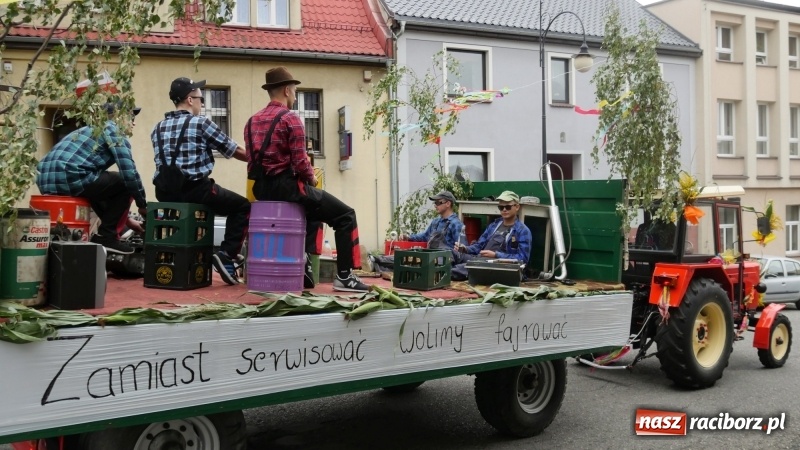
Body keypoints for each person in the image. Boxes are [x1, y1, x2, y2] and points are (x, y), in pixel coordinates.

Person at [246, 66, 367, 292]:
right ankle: (345, 276)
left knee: (312, 213)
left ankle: (303, 268)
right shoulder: (291, 119)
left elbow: (252, 163)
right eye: (294, 91)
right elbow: (301, 162)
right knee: (345, 215)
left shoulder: (251, 121)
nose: (294, 95)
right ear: (286, 91)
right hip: (288, 188)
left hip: (261, 189)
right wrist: (311, 179)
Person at [151, 77, 251, 285]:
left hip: (165, 193)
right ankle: (227, 256)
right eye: (201, 99)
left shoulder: (157, 128)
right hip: (195, 189)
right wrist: (260, 159)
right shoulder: (200, 123)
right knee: (242, 207)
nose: (202, 103)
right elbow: (233, 150)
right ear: (189, 99)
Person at [36, 103, 147, 254]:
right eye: (131, 117)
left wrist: (127, 220)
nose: (133, 122)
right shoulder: (114, 129)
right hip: (72, 177)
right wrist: (142, 205)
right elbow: (129, 173)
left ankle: (108, 234)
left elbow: (99, 188)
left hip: (45, 181)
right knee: (124, 182)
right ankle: (107, 237)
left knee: (99, 184)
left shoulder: (86, 130)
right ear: (118, 117)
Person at [452, 190, 532, 280]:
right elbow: (479, 246)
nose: (504, 210)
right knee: (451, 254)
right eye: (501, 207)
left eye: (508, 207)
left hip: (499, 266)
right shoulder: (494, 225)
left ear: (517, 207)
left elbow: (523, 259)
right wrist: (465, 248)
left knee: (457, 270)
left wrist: (496, 255)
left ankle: (447, 274)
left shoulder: (522, 231)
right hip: (480, 259)